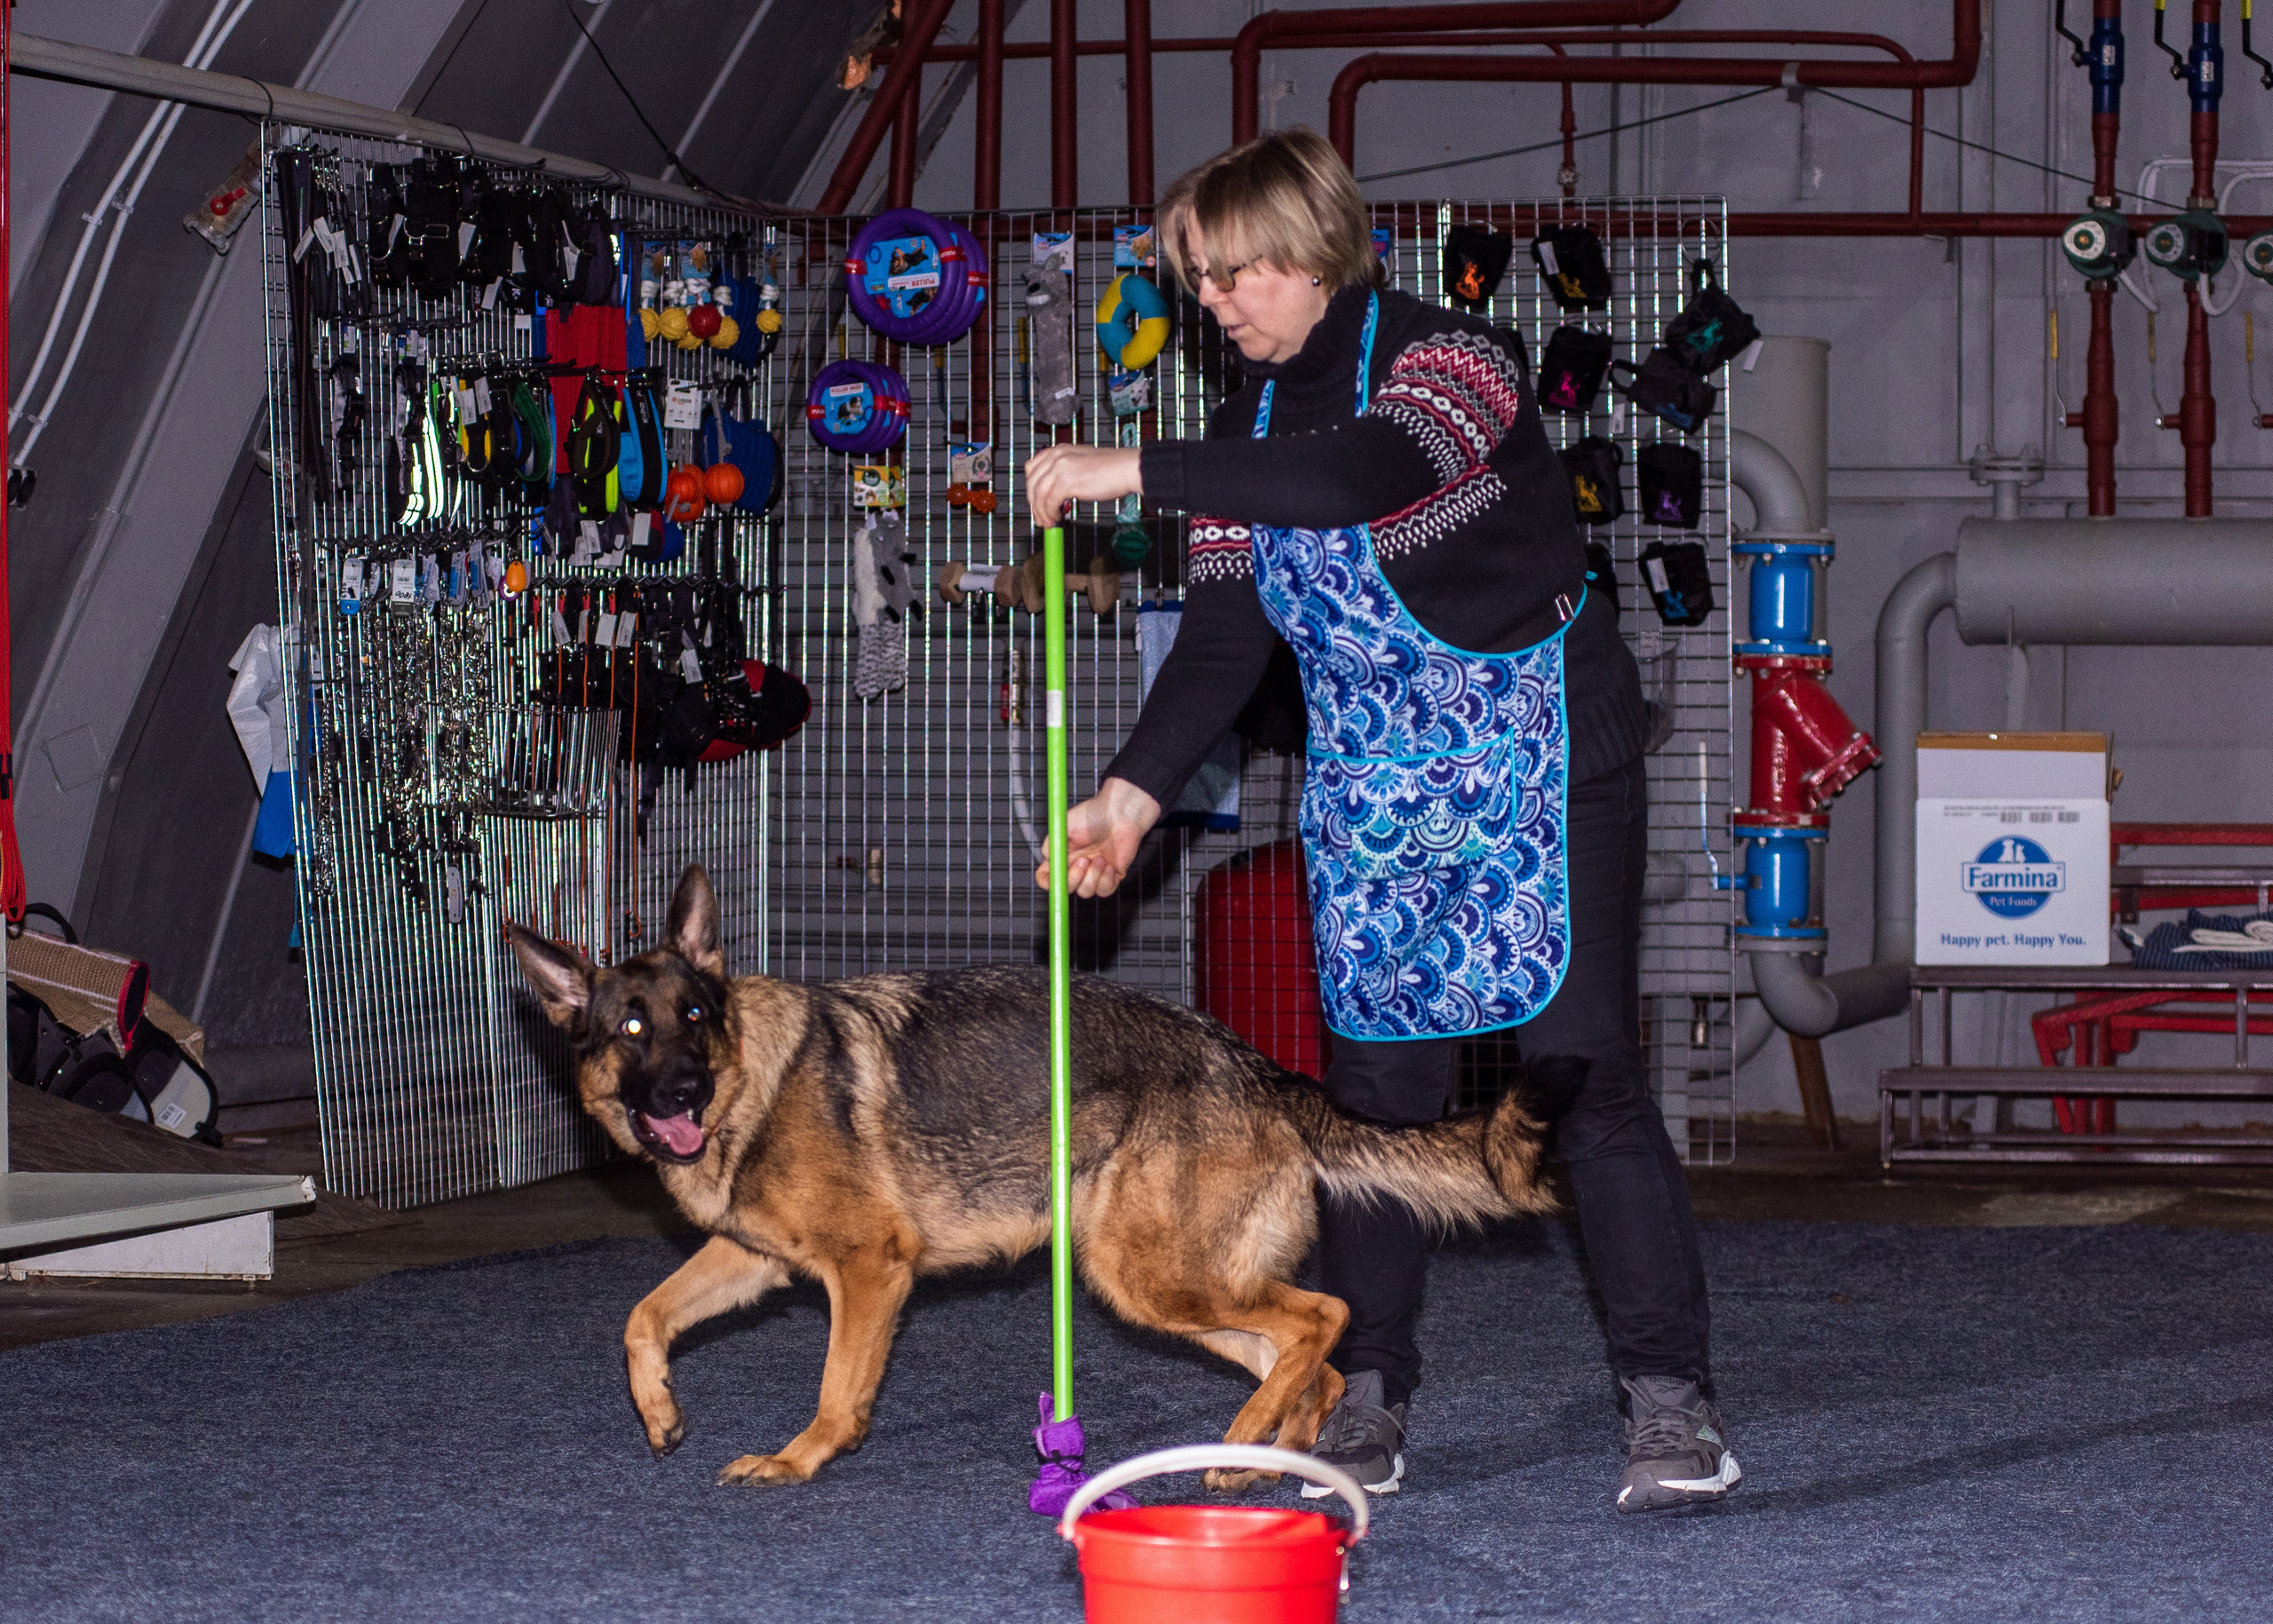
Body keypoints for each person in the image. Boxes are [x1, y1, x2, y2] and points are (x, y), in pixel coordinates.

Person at [1024, 128, 1735, 1513]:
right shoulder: (1240, 434)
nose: (1213, 303)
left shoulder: (1456, 364)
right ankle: (1367, 1398)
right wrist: (1130, 790)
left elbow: (1361, 479)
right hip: (1379, 791)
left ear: (1313, 248)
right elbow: (1227, 641)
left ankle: (1671, 1400)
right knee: (1373, 1108)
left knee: (1580, 1070)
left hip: (1542, 758)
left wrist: (1136, 470)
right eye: (1198, 281)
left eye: (1233, 275)